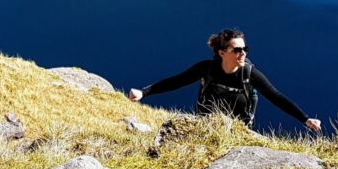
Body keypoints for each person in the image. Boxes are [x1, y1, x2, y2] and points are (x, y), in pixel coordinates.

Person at [129, 28, 322, 132]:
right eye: (237, 50)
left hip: (239, 130)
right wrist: (144, 92)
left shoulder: (250, 74)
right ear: (222, 53)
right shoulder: (207, 68)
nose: (243, 53)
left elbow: (276, 96)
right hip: (205, 125)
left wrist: (304, 119)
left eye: (245, 49)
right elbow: (176, 81)